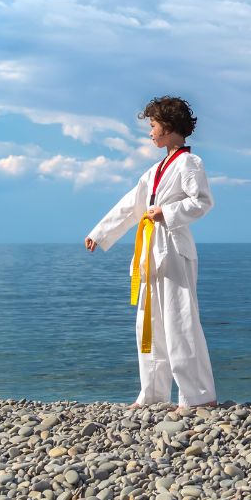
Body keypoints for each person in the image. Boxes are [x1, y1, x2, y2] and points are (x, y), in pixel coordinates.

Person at [85, 96, 217, 411]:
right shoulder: (154, 170)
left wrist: (167, 213)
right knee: (149, 321)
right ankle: (153, 393)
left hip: (173, 247)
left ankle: (198, 396)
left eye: (154, 126)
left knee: (180, 321)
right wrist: (100, 233)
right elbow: (132, 205)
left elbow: (202, 201)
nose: (150, 133)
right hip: (150, 250)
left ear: (169, 127)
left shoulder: (190, 163)